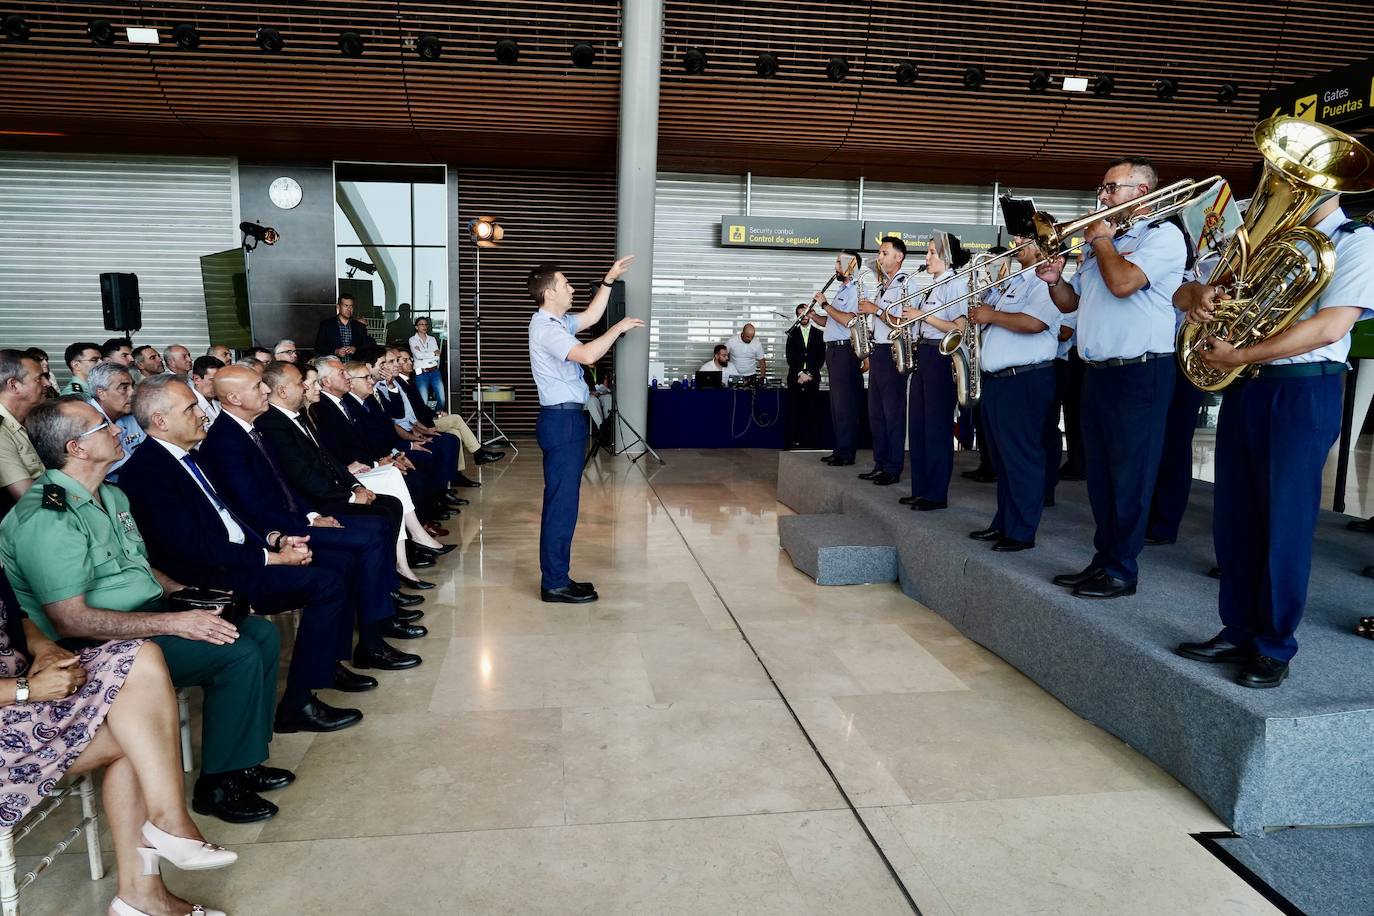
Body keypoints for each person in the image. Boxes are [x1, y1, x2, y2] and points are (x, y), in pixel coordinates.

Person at [0, 396, 290, 825]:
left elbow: (138, 565)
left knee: (259, 633)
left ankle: (243, 759)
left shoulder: (111, 494)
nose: (117, 430)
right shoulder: (48, 516)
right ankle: (218, 784)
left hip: (147, 616)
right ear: (77, 449)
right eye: (102, 428)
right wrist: (175, 621)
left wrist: (185, 594)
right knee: (236, 652)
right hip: (94, 644)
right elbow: (71, 619)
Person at [1175, 191, 1374, 688]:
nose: (1280, 186)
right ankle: (1238, 629)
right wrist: (1197, 295)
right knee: (1235, 516)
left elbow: (1331, 327)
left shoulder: (1357, 241)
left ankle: (1274, 645)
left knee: (1284, 521)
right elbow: (1186, 293)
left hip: (1302, 388)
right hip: (1249, 388)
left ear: (1330, 186)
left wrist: (1243, 355)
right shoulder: (1268, 239)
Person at [114, 375, 363, 734]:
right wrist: (271, 559)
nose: (202, 413)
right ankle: (298, 703)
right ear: (161, 421)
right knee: (327, 582)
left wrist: (276, 539)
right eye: (191, 408)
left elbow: (234, 515)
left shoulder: (190, 456)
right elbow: (193, 547)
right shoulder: (148, 471)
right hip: (210, 577)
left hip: (239, 556)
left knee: (337, 562)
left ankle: (322, 665)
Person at [0, 573, 234, 916]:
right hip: (16, 705)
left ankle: (168, 824)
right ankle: (143, 893)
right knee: (141, 735)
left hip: (29, 695)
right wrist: (26, 690)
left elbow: (16, 614)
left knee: (142, 658)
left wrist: (45, 649)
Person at [197, 365, 424, 674]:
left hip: (297, 516)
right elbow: (254, 507)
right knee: (369, 534)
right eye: (257, 387)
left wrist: (313, 514)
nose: (265, 390)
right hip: (278, 532)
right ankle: (371, 640)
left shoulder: (251, 428)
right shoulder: (225, 441)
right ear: (234, 397)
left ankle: (372, 628)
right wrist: (305, 522)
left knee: (377, 524)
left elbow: (287, 483)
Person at [1039, 156, 1187, 599]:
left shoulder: (1164, 236)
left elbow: (1124, 284)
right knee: (1101, 476)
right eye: (1102, 189)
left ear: (1141, 192)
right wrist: (1053, 279)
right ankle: (1104, 560)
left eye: (1111, 188)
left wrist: (1101, 242)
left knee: (1131, 476)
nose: (1102, 197)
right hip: (1099, 372)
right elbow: (1070, 303)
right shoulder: (1106, 242)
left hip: (1141, 371)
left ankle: (1122, 569)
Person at [271, 358, 448, 587]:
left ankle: (406, 557)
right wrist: (354, 491)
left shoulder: (307, 414)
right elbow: (307, 472)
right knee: (388, 503)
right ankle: (402, 564)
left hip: (348, 477)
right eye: (307, 383)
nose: (311, 388)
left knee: (396, 493)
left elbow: (335, 456)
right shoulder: (305, 414)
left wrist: (359, 483)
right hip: (323, 497)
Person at [527, 256, 641, 603]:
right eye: (566, 284)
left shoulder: (558, 321)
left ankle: (559, 576)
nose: (572, 288)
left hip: (567, 420)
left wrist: (608, 280)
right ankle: (554, 583)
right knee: (561, 505)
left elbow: (590, 317)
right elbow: (588, 355)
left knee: (565, 503)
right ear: (549, 293)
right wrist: (617, 328)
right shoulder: (546, 329)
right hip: (561, 422)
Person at [966, 235, 1061, 550]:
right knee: (1003, 458)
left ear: (1044, 246)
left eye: (1027, 239)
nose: (1017, 242)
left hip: (1025, 379)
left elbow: (1036, 323)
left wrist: (990, 315)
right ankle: (1004, 522)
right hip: (1000, 379)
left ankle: (1021, 531)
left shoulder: (1044, 282)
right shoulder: (1016, 281)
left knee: (1022, 457)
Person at [901, 231, 971, 508]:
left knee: (936, 428)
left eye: (932, 252)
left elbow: (960, 328)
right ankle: (921, 488)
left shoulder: (954, 284)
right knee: (917, 427)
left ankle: (936, 494)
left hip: (940, 356)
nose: (927, 257)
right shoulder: (931, 285)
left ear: (947, 257)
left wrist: (922, 316)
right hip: (923, 353)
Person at [393, 350, 501, 476]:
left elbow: (420, 407)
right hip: (422, 424)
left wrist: (437, 412)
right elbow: (415, 412)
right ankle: (478, 453)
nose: (410, 363)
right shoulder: (399, 383)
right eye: (404, 360)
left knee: (455, 432)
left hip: (424, 420)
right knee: (456, 419)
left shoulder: (409, 381)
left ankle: (457, 474)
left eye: (409, 359)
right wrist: (433, 417)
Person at [858, 236, 912, 487]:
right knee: (876, 413)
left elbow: (903, 322)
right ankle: (880, 463)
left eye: (884, 253)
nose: (879, 258)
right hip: (878, 351)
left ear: (898, 257)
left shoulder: (905, 285)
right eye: (879, 253)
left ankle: (893, 466)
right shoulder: (883, 286)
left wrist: (875, 310)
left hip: (894, 352)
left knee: (892, 413)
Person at [810, 251, 864, 466]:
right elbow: (830, 322)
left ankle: (846, 452)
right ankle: (840, 448)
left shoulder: (857, 290)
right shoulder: (842, 290)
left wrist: (824, 304)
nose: (836, 266)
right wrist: (813, 315)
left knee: (845, 404)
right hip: (832, 349)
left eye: (839, 262)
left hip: (845, 351)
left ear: (852, 266)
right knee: (836, 404)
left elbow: (847, 321)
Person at [0, 349, 46, 506]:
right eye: (39, 379)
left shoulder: (32, 419)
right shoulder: (1, 432)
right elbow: (28, 498)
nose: (48, 384)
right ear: (13, 385)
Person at [87, 361, 146, 481]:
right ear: (101, 393)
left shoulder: (131, 414)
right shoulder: (85, 422)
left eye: (132, 386)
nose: (133, 393)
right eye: (124, 388)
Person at [784, 301, 826, 449]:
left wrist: (808, 373)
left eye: (806, 313)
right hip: (795, 377)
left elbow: (821, 358)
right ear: (797, 316)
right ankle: (792, 441)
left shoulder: (820, 334)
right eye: (801, 314)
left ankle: (810, 442)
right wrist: (800, 373)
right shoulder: (791, 333)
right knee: (793, 410)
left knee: (811, 409)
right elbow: (789, 357)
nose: (804, 316)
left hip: (812, 377)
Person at [315, 294, 375, 359]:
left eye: (351, 306)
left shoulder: (359, 326)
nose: (349, 309)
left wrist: (355, 349)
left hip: (354, 365)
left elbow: (369, 344)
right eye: (346, 306)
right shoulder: (326, 325)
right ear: (338, 307)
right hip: (334, 365)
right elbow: (318, 348)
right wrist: (335, 351)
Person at [408, 316, 446, 411]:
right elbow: (418, 356)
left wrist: (424, 354)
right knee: (423, 401)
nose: (424, 326)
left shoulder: (432, 339)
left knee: (441, 399)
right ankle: (426, 421)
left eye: (425, 324)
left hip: (434, 371)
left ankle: (435, 417)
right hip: (421, 373)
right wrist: (432, 353)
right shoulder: (412, 340)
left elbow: (438, 356)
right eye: (421, 324)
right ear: (416, 327)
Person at [188, 355, 224, 426]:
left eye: (220, 380)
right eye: (213, 380)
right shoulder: (188, 408)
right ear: (196, 379)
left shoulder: (219, 403)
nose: (218, 384)